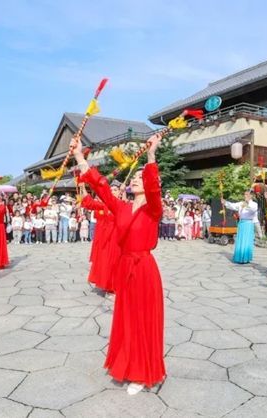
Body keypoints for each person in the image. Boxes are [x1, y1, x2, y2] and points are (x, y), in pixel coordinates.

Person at [74, 132, 166, 395]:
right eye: (134, 177)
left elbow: (154, 189)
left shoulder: (153, 209)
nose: (135, 179)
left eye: (140, 177)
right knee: (126, 319)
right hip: (124, 267)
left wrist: (151, 155)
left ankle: (141, 372)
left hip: (144, 269)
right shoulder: (122, 208)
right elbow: (101, 187)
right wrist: (80, 156)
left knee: (142, 320)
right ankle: (125, 364)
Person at [81, 182, 121, 293]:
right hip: (105, 238)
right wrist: (83, 188)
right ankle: (109, 285)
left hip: (118, 237)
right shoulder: (104, 205)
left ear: (120, 192)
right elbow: (90, 203)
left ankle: (119, 285)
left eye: (115, 190)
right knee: (107, 261)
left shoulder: (123, 205)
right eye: (111, 190)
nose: (113, 192)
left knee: (118, 262)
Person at [223, 190, 258, 264]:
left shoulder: (254, 204)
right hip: (241, 223)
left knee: (246, 240)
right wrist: (225, 202)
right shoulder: (241, 203)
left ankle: (245, 258)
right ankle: (239, 257)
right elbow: (233, 206)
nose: (245, 196)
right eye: (245, 194)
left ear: (251, 196)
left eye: (247, 194)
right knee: (240, 240)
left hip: (248, 224)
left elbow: (253, 210)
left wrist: (247, 204)